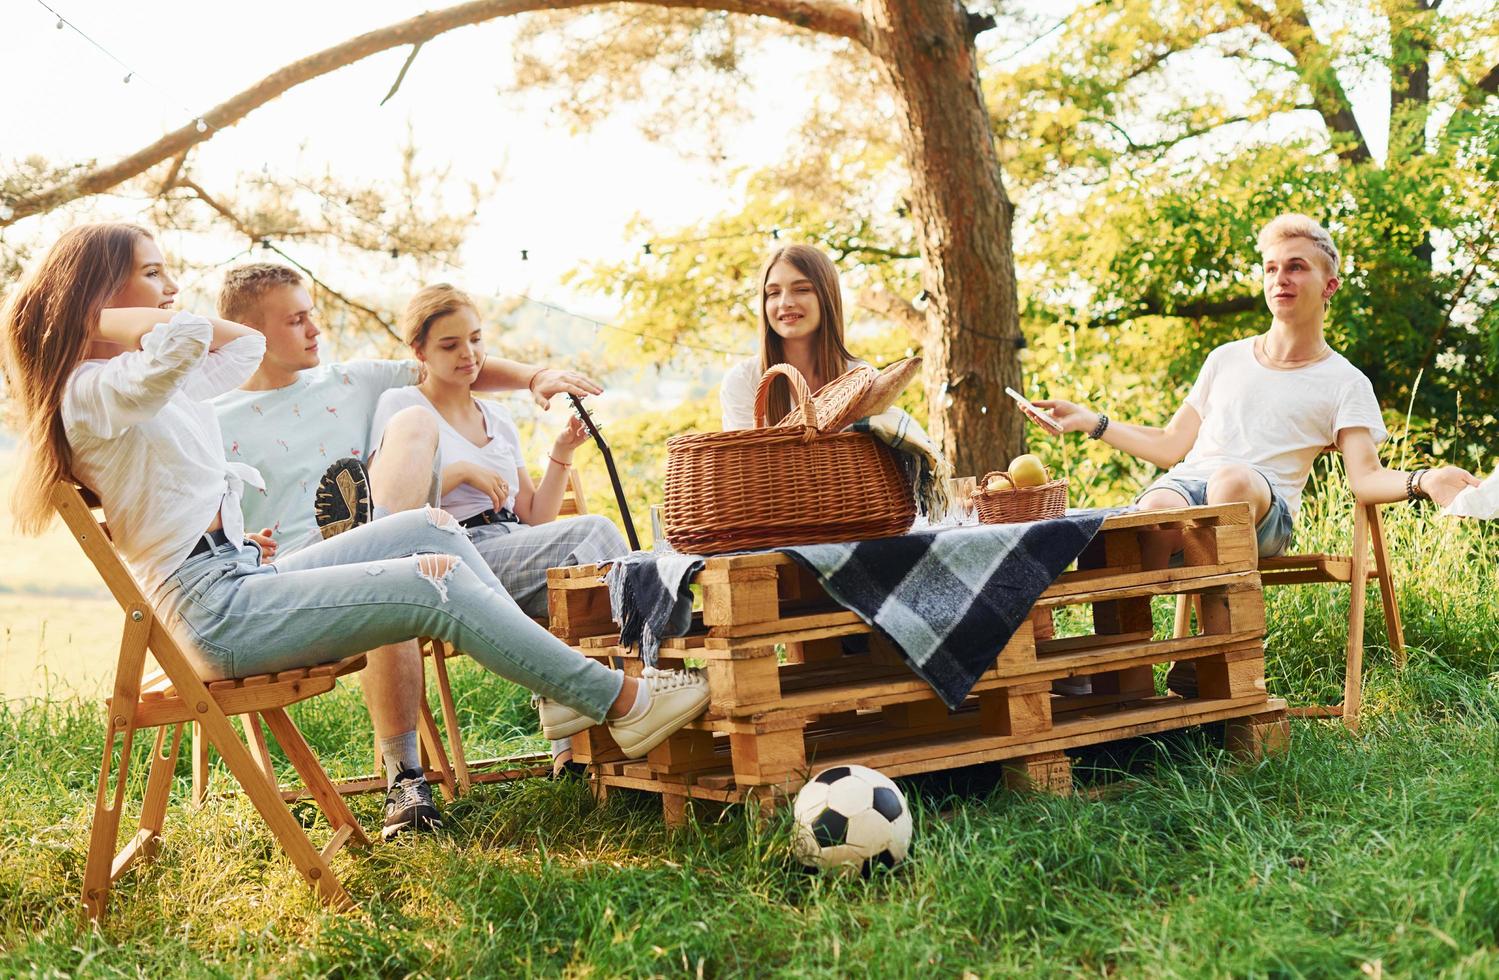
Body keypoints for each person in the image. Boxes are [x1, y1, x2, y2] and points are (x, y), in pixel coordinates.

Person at [1, 225, 708, 845]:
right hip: (215, 610)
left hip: (243, 577)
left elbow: (241, 344)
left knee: (424, 531)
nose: (172, 285)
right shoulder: (91, 392)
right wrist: (110, 317)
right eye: (153, 272)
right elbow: (189, 335)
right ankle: (624, 703)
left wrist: (118, 313)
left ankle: (564, 687)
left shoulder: (135, 382)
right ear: (100, 291)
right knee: (429, 581)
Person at [211, 261, 606, 830]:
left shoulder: (351, 380)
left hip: (378, 541)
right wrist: (241, 541)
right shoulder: (213, 420)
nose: (315, 330)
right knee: (391, 567)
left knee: (404, 487)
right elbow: (199, 519)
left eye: (313, 315)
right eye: (297, 321)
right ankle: (404, 777)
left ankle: (379, 539)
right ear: (250, 336)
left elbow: (456, 365)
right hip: (289, 577)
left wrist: (535, 376)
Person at [1032, 213, 1479, 694]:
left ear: (1330, 286)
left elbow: (1365, 478)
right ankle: (1125, 675)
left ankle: (1215, 652)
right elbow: (1169, 446)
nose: (1280, 279)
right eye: (1270, 268)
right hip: (1188, 490)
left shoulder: (1344, 381)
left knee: (1231, 481)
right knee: (1155, 510)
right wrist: (1090, 421)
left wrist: (1425, 480)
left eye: (1295, 267)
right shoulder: (1225, 358)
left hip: (1263, 511)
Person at [370, 284, 633, 770]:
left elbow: (534, 516)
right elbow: (385, 502)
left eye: (475, 339)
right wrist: (461, 472)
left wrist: (561, 454)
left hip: (514, 541)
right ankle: (637, 682)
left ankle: (576, 748)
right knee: (597, 537)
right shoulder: (402, 406)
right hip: (456, 551)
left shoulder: (498, 415)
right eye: (449, 345)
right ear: (419, 351)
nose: (468, 354)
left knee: (588, 573)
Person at [720, 244, 865, 429]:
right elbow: (748, 457)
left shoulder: (860, 378)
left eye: (802, 289)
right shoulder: (744, 380)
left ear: (827, 297)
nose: (785, 303)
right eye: (773, 293)